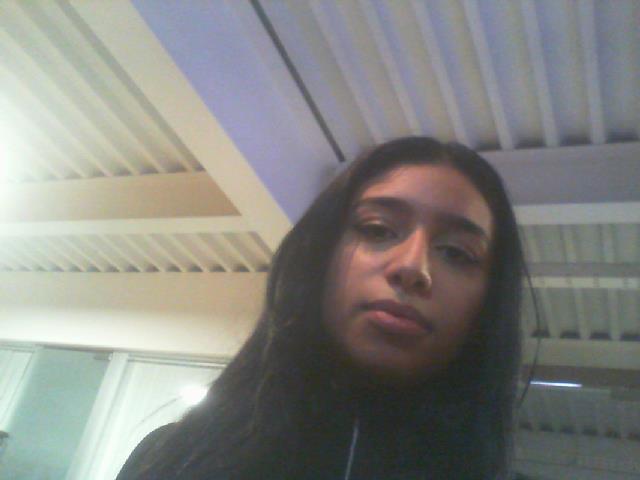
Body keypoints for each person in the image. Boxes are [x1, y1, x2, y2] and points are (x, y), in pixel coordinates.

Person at [117, 137, 529, 479]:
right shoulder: (169, 460)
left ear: (488, 303)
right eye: (377, 229)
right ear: (320, 254)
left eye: (456, 253)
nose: (412, 267)